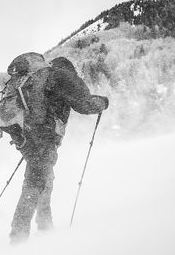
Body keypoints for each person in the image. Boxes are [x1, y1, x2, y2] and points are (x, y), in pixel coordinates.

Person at [9, 56, 108, 243]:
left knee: (44, 176)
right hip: (44, 136)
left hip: (25, 136)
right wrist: (103, 102)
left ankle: (44, 223)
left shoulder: (36, 80)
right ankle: (18, 235)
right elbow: (85, 104)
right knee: (35, 181)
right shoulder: (62, 77)